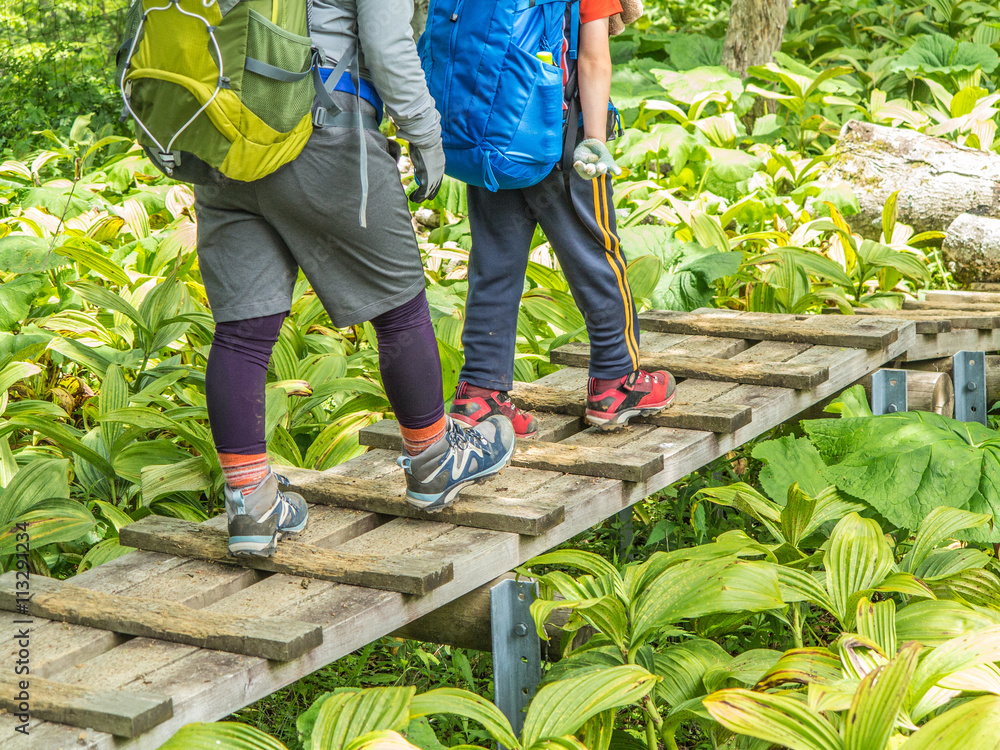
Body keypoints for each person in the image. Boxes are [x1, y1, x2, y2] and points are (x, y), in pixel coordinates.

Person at [193, 0, 515, 557]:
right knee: (401, 308)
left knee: (243, 332)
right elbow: (388, 45)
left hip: (222, 135)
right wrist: (426, 135)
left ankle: (250, 503)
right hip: (319, 124)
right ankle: (435, 462)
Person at [448, 0, 676, 438]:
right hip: (560, 140)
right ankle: (615, 382)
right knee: (597, 256)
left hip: (493, 141)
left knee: (493, 266)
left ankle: (479, 393)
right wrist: (593, 141)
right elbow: (592, 58)